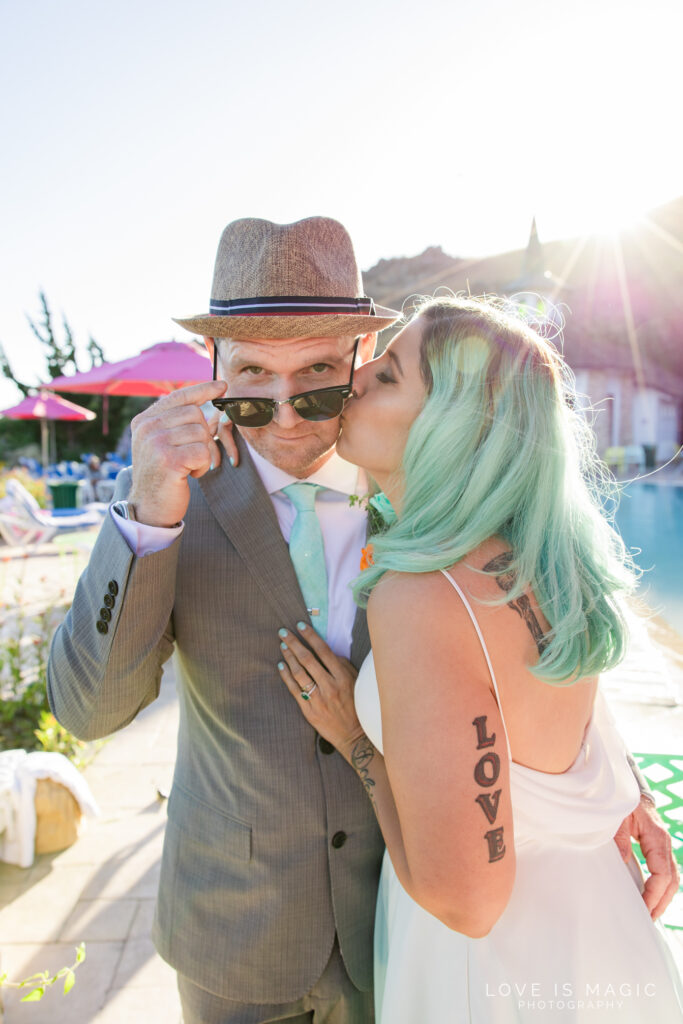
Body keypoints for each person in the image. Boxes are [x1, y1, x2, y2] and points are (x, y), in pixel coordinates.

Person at [47, 221, 677, 1024]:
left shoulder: (437, 497)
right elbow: (87, 711)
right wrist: (143, 519)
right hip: (236, 938)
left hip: (405, 920)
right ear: (213, 371)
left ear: (362, 355)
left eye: (315, 378)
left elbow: (526, 647)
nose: (283, 418)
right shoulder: (178, 499)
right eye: (249, 384)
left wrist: (615, 788)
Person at [276, 295, 683, 1022]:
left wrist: (356, 744)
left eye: (391, 373)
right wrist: (630, 794)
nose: (359, 375)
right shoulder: (549, 568)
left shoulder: (423, 596)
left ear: (451, 427)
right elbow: (550, 707)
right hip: (602, 935)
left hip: (498, 979)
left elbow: (467, 902)